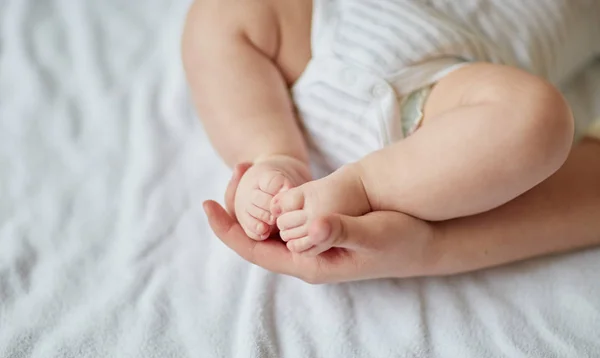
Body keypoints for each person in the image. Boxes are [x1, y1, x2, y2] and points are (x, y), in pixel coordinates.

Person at [182, 0, 600, 281]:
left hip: (445, 100)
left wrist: (428, 247)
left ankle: (363, 186)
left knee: (536, 116)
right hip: (334, 30)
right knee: (225, 9)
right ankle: (271, 155)